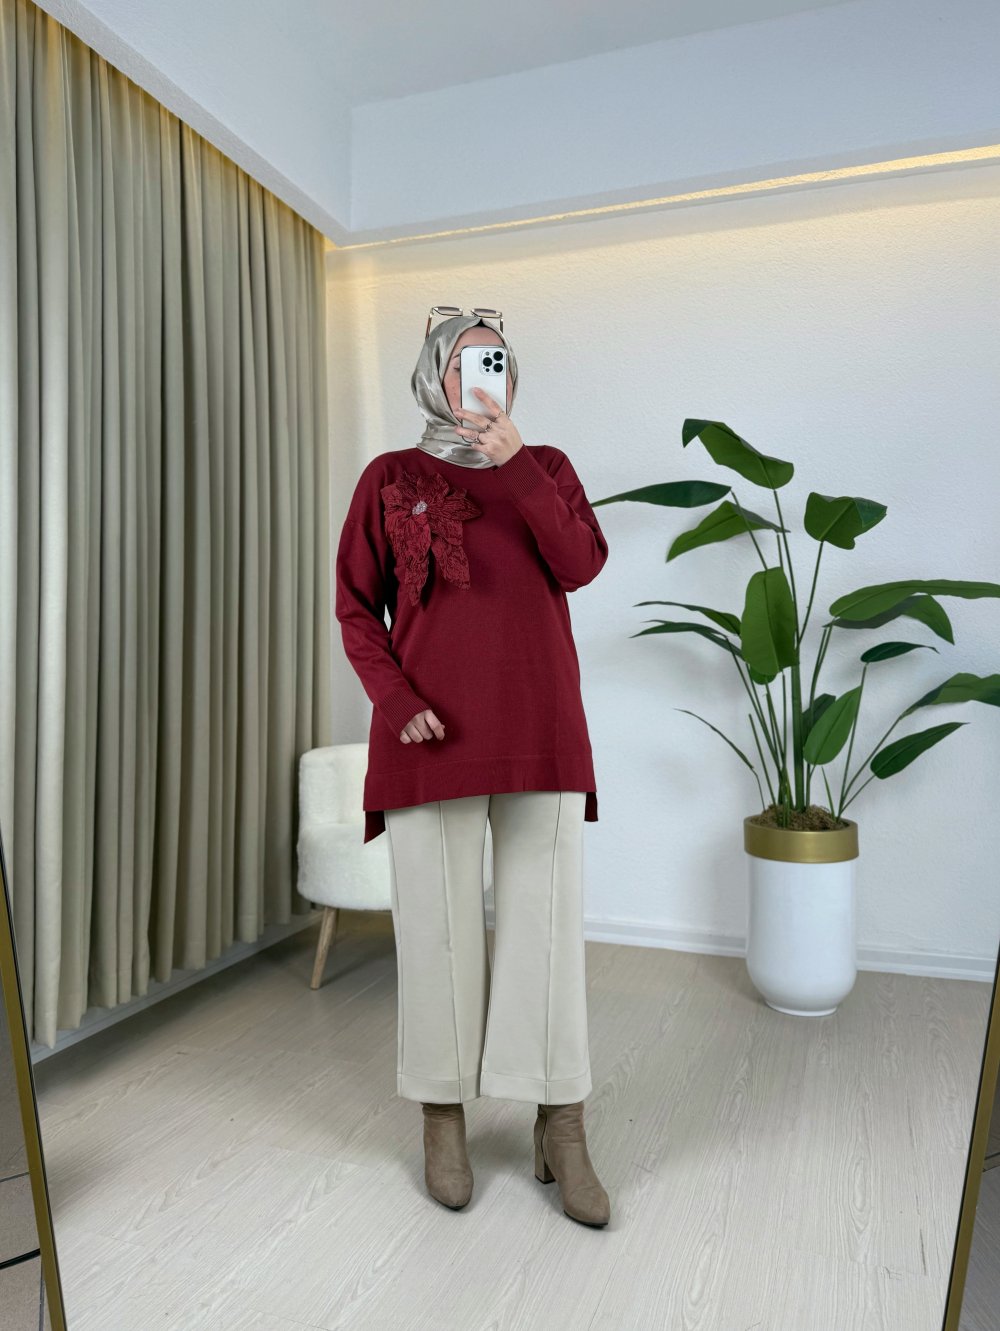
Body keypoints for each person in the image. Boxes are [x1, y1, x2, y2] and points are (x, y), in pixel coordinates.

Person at [334, 308, 611, 1226]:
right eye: (464, 361)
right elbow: (354, 607)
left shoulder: (549, 467)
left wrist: (515, 462)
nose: (482, 374)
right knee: (438, 932)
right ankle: (443, 1117)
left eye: (496, 359)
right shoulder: (389, 478)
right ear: (432, 377)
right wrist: (394, 698)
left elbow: (581, 564)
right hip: (429, 736)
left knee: (546, 931)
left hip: (540, 729)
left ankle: (560, 1122)